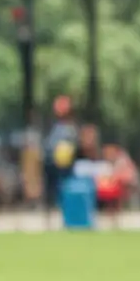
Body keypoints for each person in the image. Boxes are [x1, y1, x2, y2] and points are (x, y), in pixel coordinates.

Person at [42, 96, 79, 227]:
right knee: (49, 193)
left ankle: (67, 218)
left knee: (64, 192)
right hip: (50, 163)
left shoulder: (71, 127)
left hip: (64, 167)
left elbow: (73, 146)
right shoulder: (51, 125)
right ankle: (49, 220)